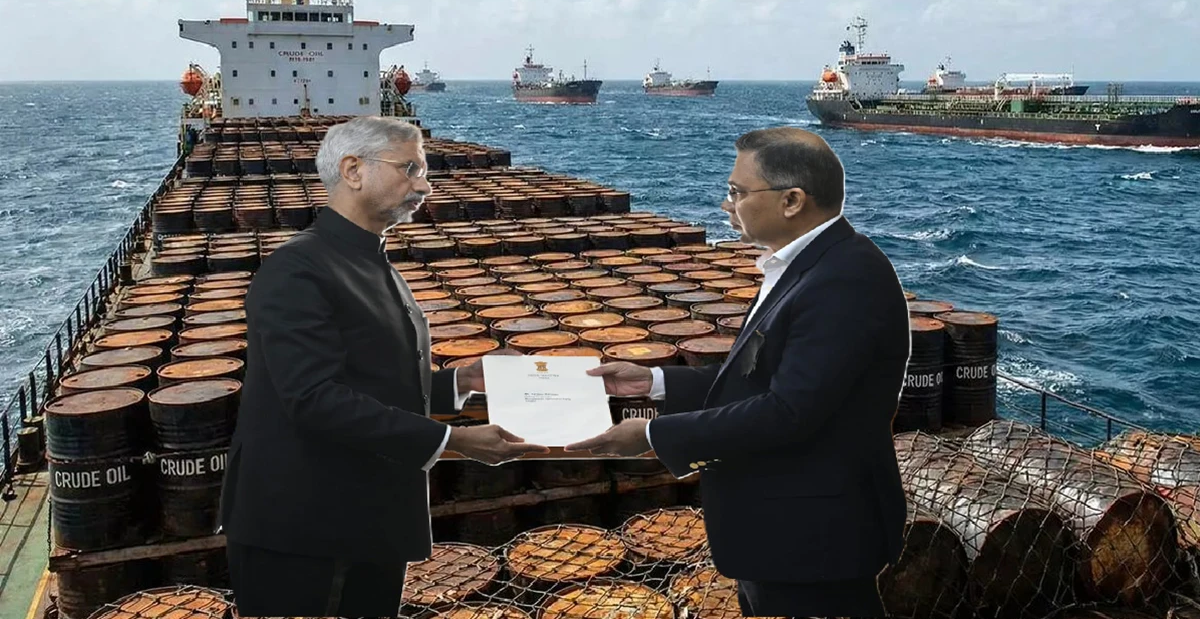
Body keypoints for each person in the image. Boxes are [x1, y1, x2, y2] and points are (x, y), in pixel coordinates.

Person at [565, 127, 910, 617]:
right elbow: (756, 377)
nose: (727, 204)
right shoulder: (806, 266)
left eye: (738, 191)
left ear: (792, 201)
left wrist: (653, 435)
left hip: (814, 543)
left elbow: (789, 411)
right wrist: (654, 382)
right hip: (781, 530)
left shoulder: (845, 279)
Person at [218, 116, 548, 617]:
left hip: (366, 518)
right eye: (410, 168)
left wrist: (460, 382)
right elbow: (313, 399)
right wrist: (453, 441)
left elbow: (371, 381)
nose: (424, 185)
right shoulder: (296, 270)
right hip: (305, 530)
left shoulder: (368, 258)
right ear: (353, 170)